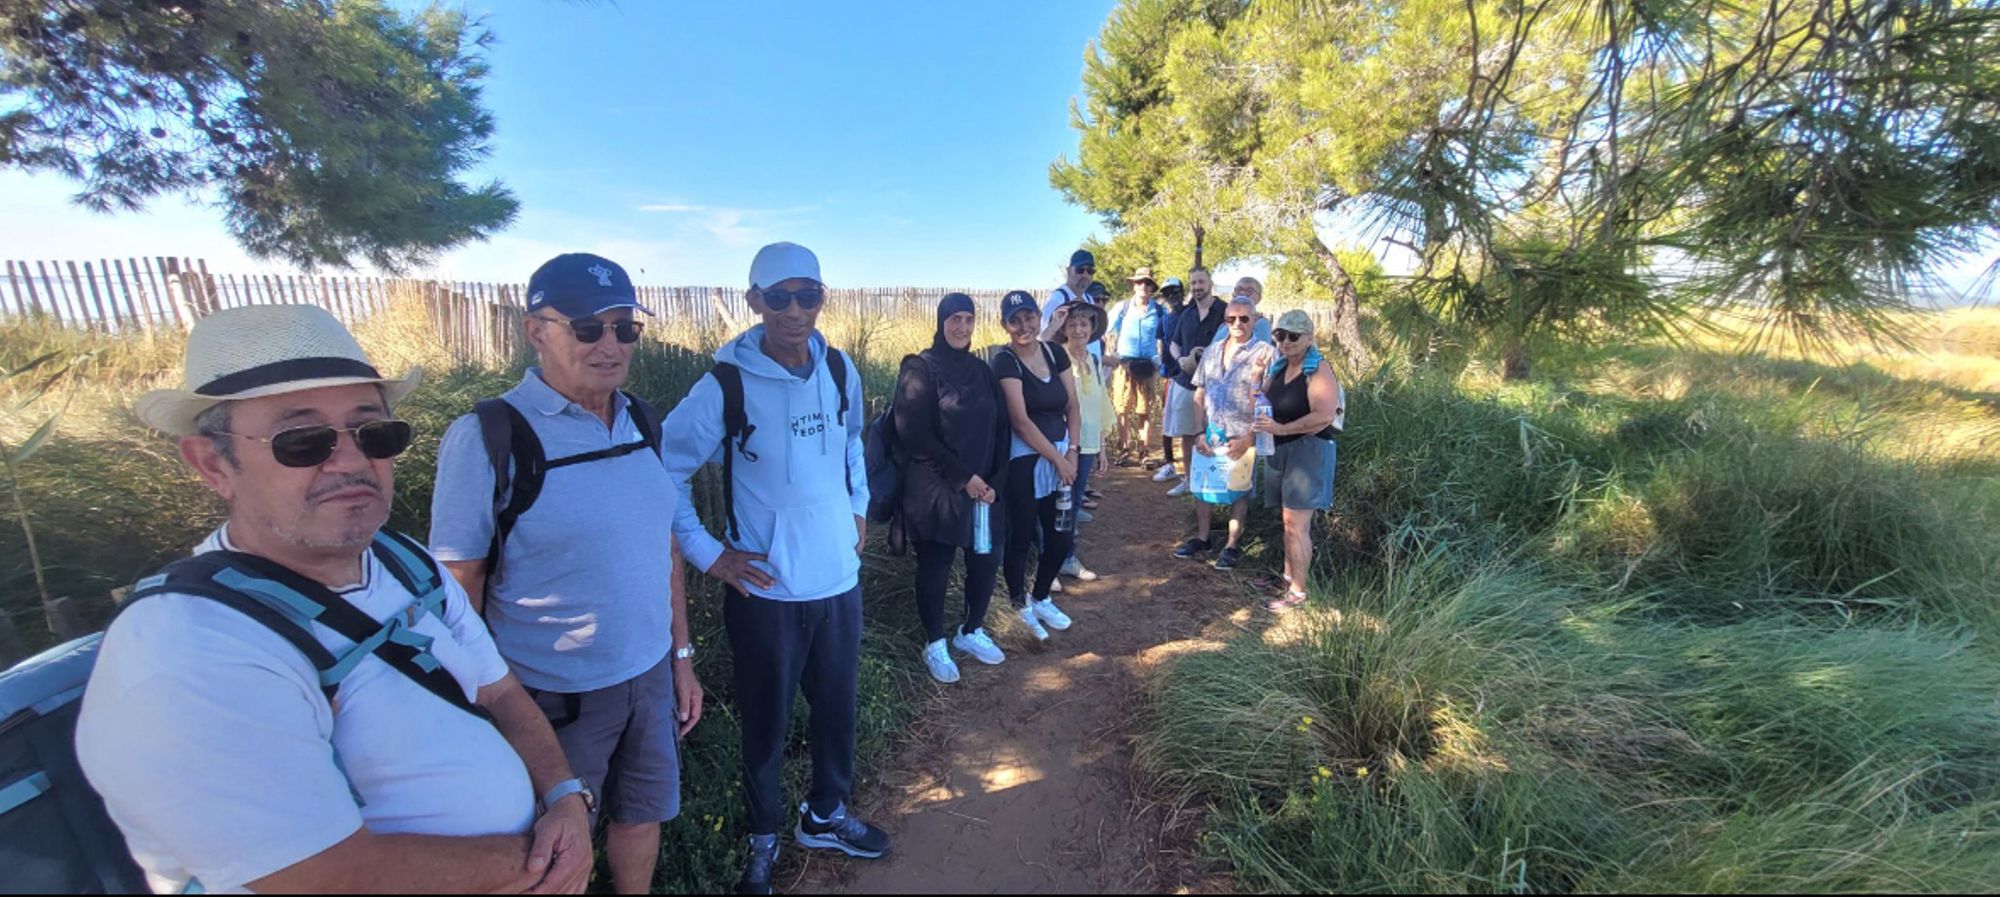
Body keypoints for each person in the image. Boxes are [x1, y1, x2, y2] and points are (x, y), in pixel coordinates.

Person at [80, 305, 593, 894]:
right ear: (214, 464)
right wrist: (544, 860)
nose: (350, 460)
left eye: (374, 433)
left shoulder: (405, 562)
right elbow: (326, 875)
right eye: (302, 440)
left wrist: (565, 797)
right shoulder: (191, 650)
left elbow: (498, 691)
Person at [428, 253, 699, 894]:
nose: (610, 345)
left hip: (649, 675)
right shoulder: (490, 437)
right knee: (548, 853)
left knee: (642, 813)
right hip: (551, 699)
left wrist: (681, 656)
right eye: (587, 328)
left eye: (625, 328)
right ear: (536, 331)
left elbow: (663, 547)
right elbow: (456, 586)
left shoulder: (642, 420)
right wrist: (483, 708)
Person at [658, 242, 887, 895]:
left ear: (821, 296)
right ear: (753, 299)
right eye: (778, 296)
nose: (794, 309)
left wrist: (860, 510)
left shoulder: (840, 369)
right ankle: (764, 831)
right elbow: (664, 473)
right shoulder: (724, 383)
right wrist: (709, 554)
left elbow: (851, 448)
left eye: (807, 294)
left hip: (837, 583)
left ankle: (825, 813)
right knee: (767, 720)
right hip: (765, 591)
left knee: (836, 709)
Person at [893, 293, 1012, 685]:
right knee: (937, 566)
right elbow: (913, 433)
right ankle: (934, 641)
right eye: (954, 319)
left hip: (983, 490)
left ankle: (971, 630)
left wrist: (995, 480)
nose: (962, 327)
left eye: (968, 319)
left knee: (986, 558)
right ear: (941, 322)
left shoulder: (982, 371)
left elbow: (1001, 427)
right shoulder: (920, 368)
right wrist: (964, 477)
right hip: (938, 487)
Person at [993, 290, 1081, 641]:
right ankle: (1019, 606)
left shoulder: (1055, 352)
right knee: (1022, 536)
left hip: (1061, 456)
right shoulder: (1005, 361)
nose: (1024, 326)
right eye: (1015, 320)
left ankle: (1041, 595)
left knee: (1061, 535)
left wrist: (1072, 451)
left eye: (1029, 317)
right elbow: (1020, 421)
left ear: (1038, 317)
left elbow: (1072, 405)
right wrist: (1058, 459)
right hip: (1026, 461)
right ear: (1006, 325)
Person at [1253, 310, 1345, 612]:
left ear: (1309, 338)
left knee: (1296, 524)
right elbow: (1262, 399)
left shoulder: (1317, 369)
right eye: (1280, 335)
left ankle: (1298, 592)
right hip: (1281, 449)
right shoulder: (1280, 366)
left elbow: (1323, 415)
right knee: (1287, 521)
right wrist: (1256, 379)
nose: (1286, 341)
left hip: (1309, 451)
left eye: (1294, 336)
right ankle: (1287, 578)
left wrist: (1282, 429)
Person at [1177, 296, 1277, 570]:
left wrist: (1250, 439)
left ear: (1255, 320)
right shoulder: (1212, 350)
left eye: (1244, 318)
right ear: (1225, 321)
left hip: (1244, 434)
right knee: (1202, 486)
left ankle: (1232, 546)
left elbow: (1270, 402)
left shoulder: (1266, 353)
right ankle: (1202, 538)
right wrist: (1198, 431)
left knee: (1240, 490)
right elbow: (1200, 391)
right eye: (1231, 318)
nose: (1238, 324)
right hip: (1211, 431)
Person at [1054, 299, 1111, 582]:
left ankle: (1066, 557)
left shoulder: (1094, 360)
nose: (1078, 330)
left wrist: (1102, 447)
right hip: (1063, 444)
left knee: (1073, 505)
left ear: (1092, 329)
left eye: (1084, 324)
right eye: (1072, 324)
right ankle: (1047, 562)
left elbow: (1100, 404)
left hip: (1088, 443)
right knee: (1055, 503)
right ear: (1063, 328)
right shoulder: (1055, 357)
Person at [1163, 267, 1224, 497]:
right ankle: (1189, 480)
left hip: (1216, 386)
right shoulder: (1187, 314)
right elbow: (1173, 343)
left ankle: (1214, 481)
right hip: (1186, 381)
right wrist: (1181, 360)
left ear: (1210, 283)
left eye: (1201, 282)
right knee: (1187, 435)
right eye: (1193, 283)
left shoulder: (1225, 311)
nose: (1197, 287)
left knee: (1214, 433)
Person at [1104, 267, 1168, 469]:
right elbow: (1103, 329)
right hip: (1124, 364)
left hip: (1148, 366)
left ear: (1152, 288)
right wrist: (1109, 353)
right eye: (1139, 282)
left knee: (1144, 411)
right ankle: (1124, 449)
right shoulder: (1122, 308)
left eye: (1147, 283)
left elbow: (1167, 334)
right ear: (1133, 285)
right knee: (1122, 408)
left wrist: (1161, 358)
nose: (1143, 286)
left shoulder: (1158, 311)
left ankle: (1144, 451)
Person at [1154, 277, 1186, 481]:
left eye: (1175, 292)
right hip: (1170, 375)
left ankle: (1191, 468)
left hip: (1187, 375)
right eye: (1167, 293)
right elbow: (1160, 341)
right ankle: (1169, 463)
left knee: (1189, 423)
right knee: (1167, 419)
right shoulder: (1165, 318)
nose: (1172, 297)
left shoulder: (1190, 314)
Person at [1041, 249, 1096, 336]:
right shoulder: (1057, 299)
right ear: (1069, 271)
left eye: (1090, 271)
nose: (1085, 275)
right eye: (1080, 270)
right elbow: (1042, 337)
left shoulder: (1089, 299)